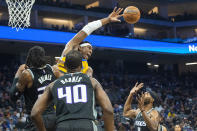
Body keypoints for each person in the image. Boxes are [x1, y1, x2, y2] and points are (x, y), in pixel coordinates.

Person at [31, 50, 114, 131]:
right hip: (87, 124)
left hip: (62, 126)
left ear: (65, 66)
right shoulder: (92, 82)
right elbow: (108, 110)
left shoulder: (53, 85)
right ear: (81, 66)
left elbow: (35, 113)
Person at [57, 7, 123, 76]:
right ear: (79, 48)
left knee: (90, 71)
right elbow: (88, 28)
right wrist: (107, 20)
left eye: (91, 49)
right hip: (59, 85)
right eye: (89, 47)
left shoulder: (86, 68)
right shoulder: (69, 49)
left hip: (77, 85)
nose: (91, 51)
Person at [10, 46, 62, 131]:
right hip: (53, 118)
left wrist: (18, 73)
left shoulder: (27, 74)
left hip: (37, 119)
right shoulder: (53, 69)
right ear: (43, 56)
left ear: (29, 57)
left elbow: (13, 96)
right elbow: (65, 83)